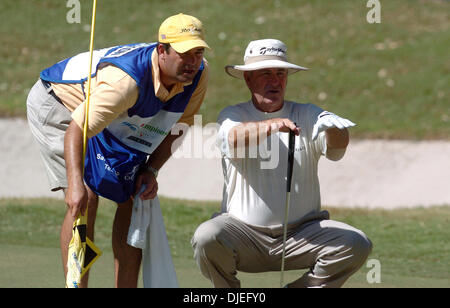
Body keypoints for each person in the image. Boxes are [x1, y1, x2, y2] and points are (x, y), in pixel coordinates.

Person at [26, 13, 210, 288]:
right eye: (184, 53)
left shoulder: (198, 74)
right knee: (85, 198)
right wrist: (75, 185)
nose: (192, 62)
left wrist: (151, 169)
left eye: (197, 52)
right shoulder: (125, 82)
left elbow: (178, 126)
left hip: (112, 117)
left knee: (133, 194)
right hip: (59, 103)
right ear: (162, 51)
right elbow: (76, 130)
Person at [191, 39, 372, 288]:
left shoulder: (307, 113)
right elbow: (232, 139)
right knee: (207, 236)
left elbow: (336, 152)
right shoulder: (234, 115)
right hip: (245, 235)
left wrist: (336, 129)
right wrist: (273, 125)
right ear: (248, 79)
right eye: (265, 73)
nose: (274, 80)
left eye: (280, 73)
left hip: (301, 235)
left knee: (356, 243)